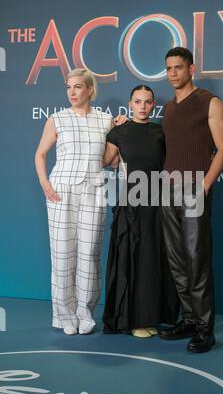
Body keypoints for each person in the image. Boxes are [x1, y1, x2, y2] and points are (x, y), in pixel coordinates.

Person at [159, 47, 223, 352]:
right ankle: (188, 319)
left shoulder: (209, 102)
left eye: (179, 67)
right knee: (176, 261)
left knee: (196, 259)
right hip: (165, 190)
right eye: (169, 68)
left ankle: (204, 329)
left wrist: (204, 185)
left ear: (192, 69)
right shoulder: (168, 108)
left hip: (194, 189)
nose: (173, 73)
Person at [35, 68, 117, 335]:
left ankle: (85, 312)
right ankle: (64, 314)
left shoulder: (106, 121)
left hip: (94, 191)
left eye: (78, 87)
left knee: (89, 254)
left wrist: (122, 131)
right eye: (69, 87)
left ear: (90, 90)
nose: (72, 92)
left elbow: (110, 161)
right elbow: (40, 154)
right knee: (62, 254)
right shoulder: (57, 119)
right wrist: (45, 183)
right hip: (61, 191)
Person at [102, 85, 179, 338]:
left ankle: (154, 317)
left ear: (154, 105)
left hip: (158, 202)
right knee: (133, 257)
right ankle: (134, 319)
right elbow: (105, 161)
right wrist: (108, 127)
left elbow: (172, 165)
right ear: (130, 103)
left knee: (153, 259)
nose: (143, 106)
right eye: (138, 101)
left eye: (147, 102)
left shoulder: (162, 132)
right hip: (131, 202)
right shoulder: (119, 132)